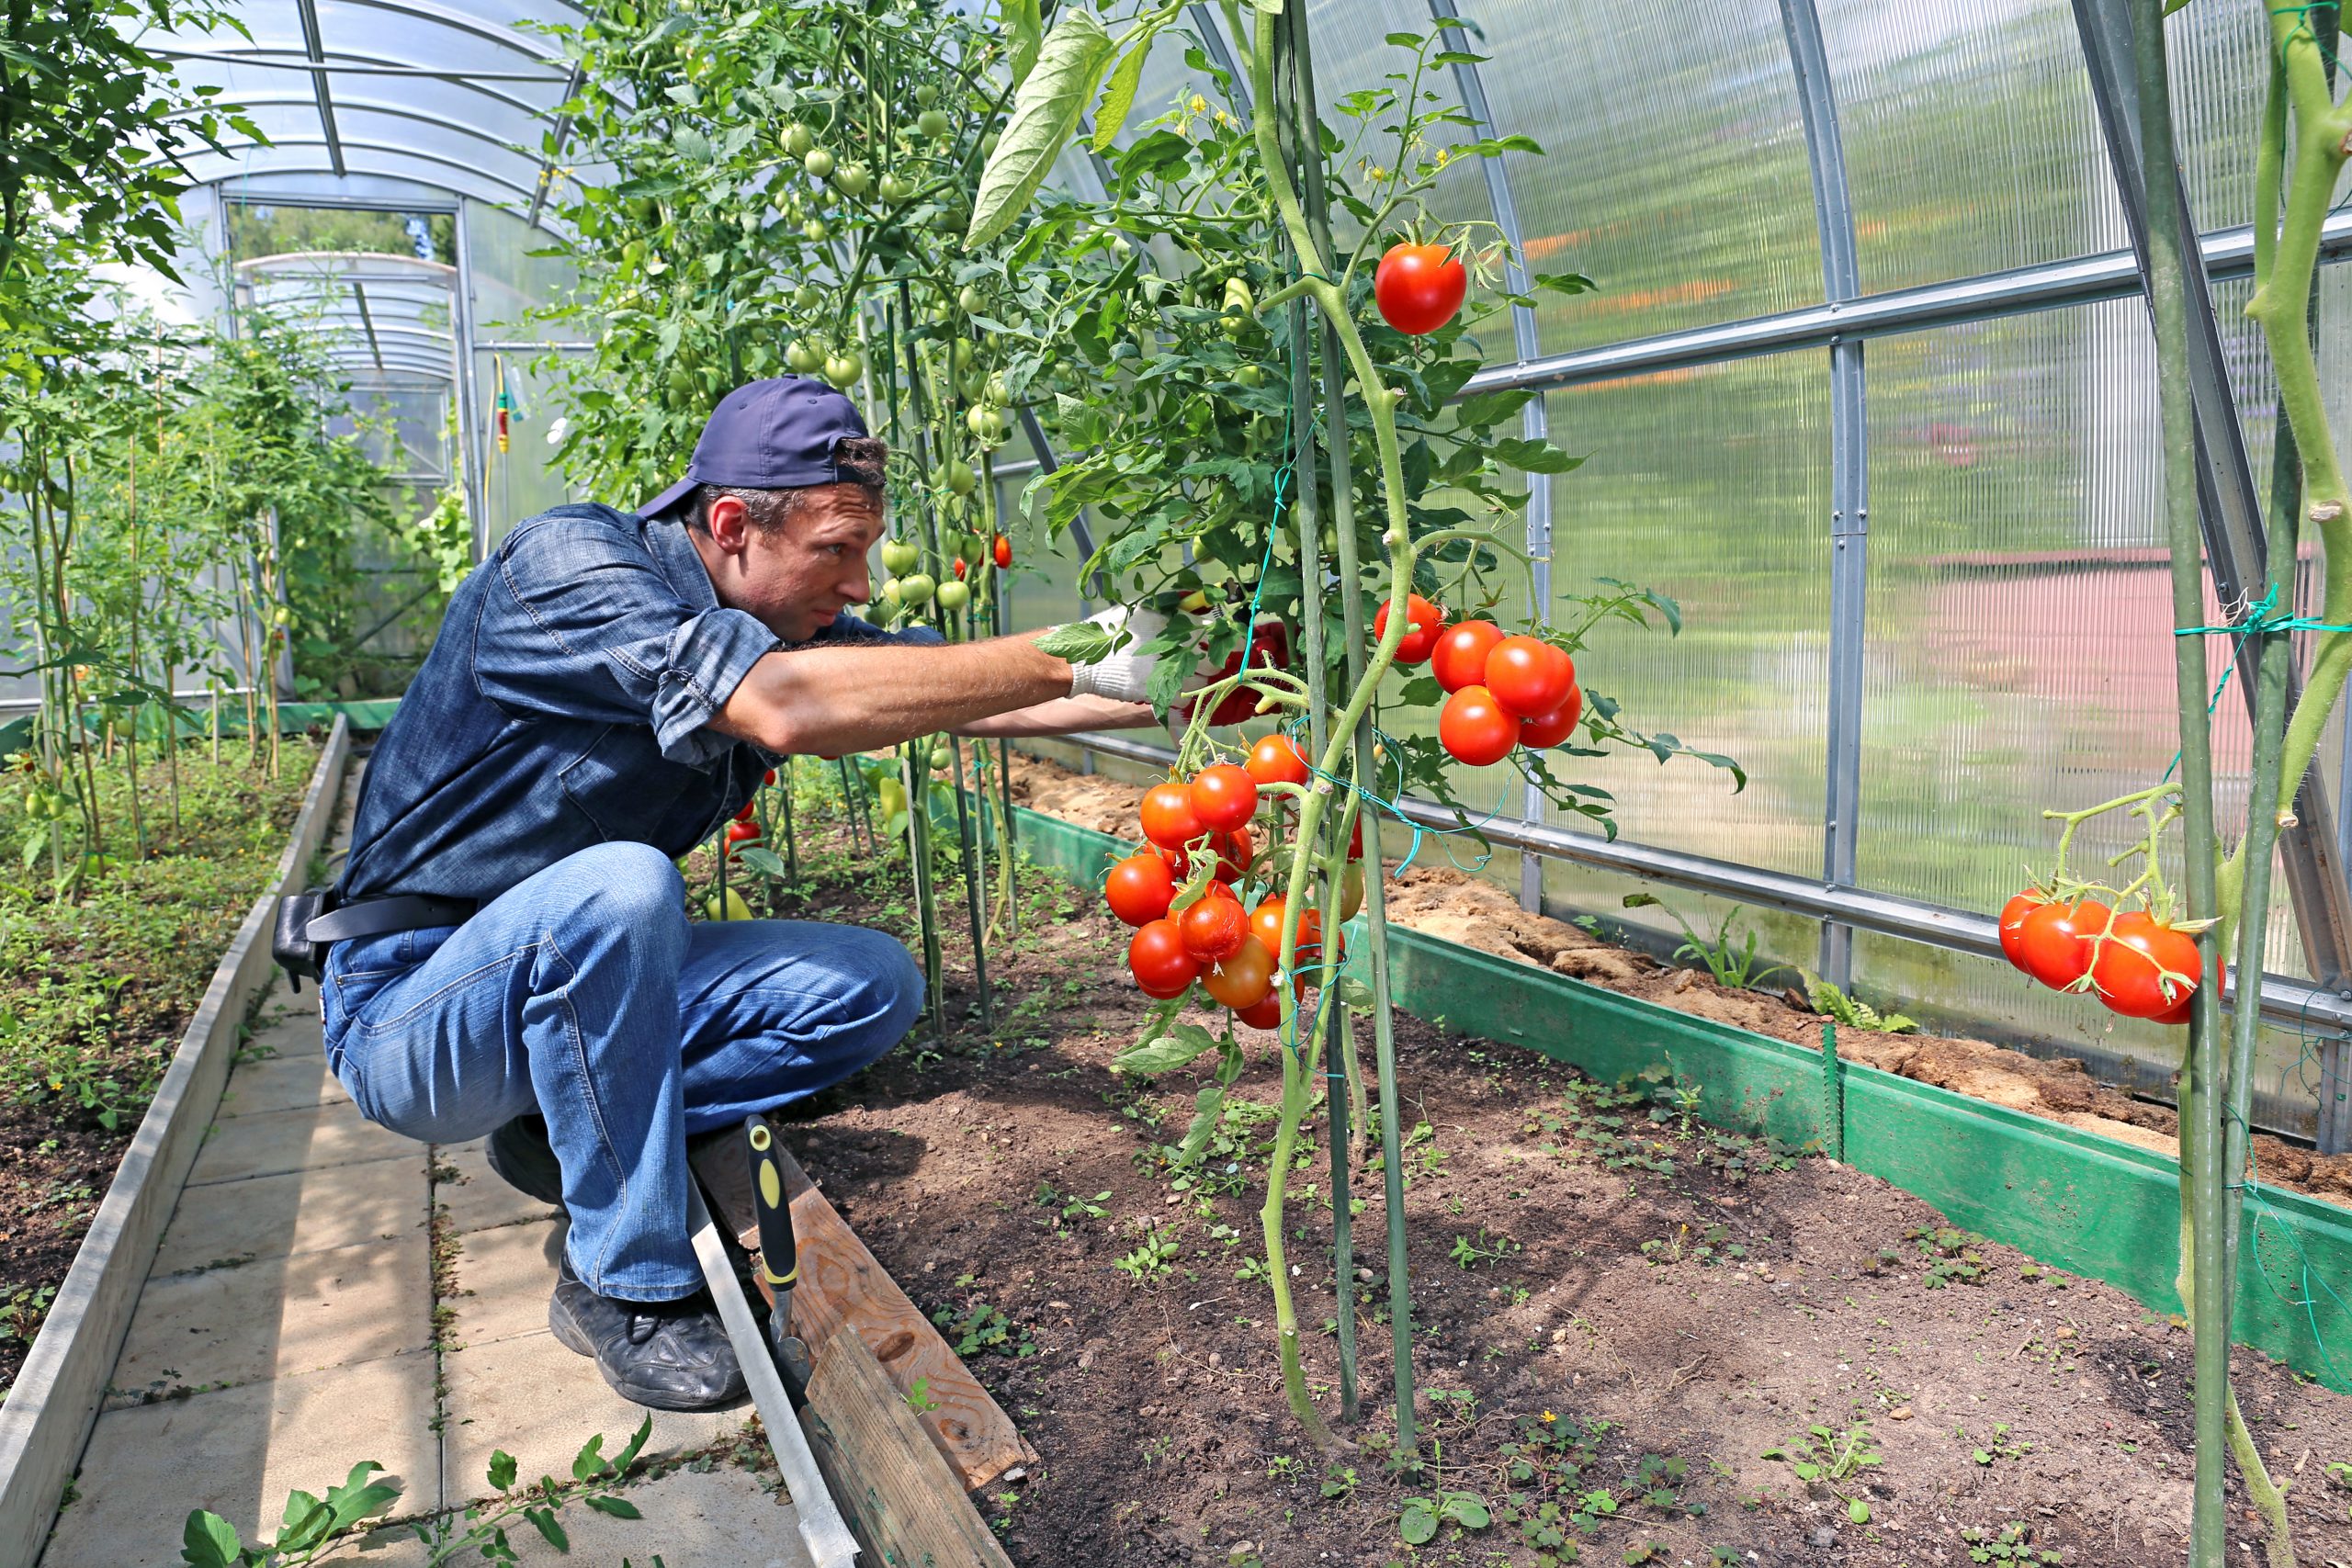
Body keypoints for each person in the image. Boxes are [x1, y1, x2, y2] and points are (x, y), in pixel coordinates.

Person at [312, 378, 1174, 1411]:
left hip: (569, 983)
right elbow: (781, 707)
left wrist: (1177, 679)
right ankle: (621, 1285)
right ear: (730, 523)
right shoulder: (568, 567)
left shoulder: (775, 624)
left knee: (868, 984)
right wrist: (1065, 648)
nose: (858, 584)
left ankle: (561, 1128)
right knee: (623, 886)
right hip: (412, 1007)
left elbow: (951, 686)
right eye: (837, 550)